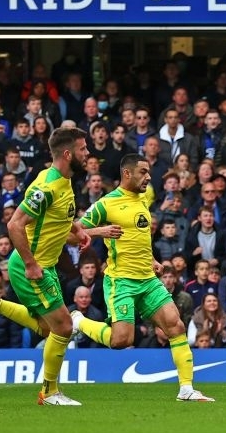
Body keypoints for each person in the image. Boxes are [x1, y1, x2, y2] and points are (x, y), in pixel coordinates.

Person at [0, 128, 94, 405]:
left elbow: (58, 220)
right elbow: (14, 224)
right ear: (68, 154)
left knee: (46, 327)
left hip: (46, 264)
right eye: (83, 149)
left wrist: (81, 231)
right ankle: (50, 392)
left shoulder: (63, 181)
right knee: (63, 327)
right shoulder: (46, 186)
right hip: (31, 265)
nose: (87, 154)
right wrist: (30, 264)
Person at [71, 154, 214, 402]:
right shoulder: (107, 203)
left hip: (147, 279)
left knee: (176, 326)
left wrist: (152, 261)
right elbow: (71, 233)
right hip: (121, 281)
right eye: (144, 172)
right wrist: (98, 232)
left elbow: (137, 240)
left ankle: (186, 389)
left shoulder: (144, 199)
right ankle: (79, 321)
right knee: (121, 341)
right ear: (127, 174)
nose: (149, 177)